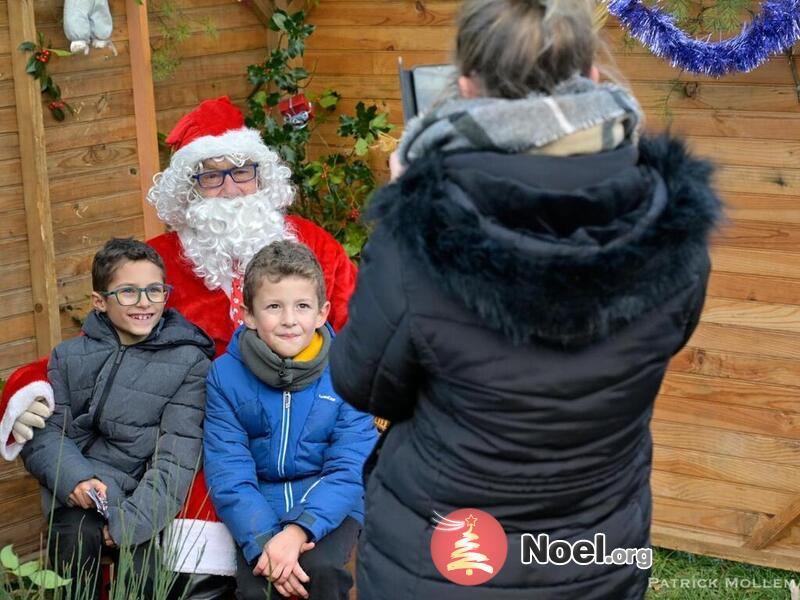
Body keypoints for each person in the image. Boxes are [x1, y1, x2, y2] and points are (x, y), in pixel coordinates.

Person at [330, 0, 722, 598]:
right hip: (595, 549)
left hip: (448, 557)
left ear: (465, 85)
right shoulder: (672, 223)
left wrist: (403, 205)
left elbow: (364, 382)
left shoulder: (419, 234)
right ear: (592, 77)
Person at [0, 96, 357, 579]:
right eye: (211, 175)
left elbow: (367, 336)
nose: (230, 188)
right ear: (189, 190)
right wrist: (27, 383)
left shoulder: (315, 247)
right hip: (197, 425)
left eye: (241, 171)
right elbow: (105, 337)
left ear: (261, 175)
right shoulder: (159, 260)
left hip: (304, 426)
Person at [21, 238, 214, 598]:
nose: (144, 303)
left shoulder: (189, 363)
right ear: (99, 302)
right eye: (128, 292)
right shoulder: (68, 357)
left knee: (144, 571)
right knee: (75, 540)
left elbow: (177, 456)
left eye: (154, 290)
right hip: (80, 491)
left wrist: (130, 524)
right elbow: (46, 434)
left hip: (143, 497)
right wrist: (75, 480)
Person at [204, 241, 377, 600]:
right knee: (258, 585)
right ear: (248, 314)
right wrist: (265, 542)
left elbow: (349, 468)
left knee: (323, 571)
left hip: (331, 501)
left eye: (302, 306)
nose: (288, 320)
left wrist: (298, 532)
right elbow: (229, 470)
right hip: (258, 504)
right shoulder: (225, 375)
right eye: (273, 307)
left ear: (321, 312)